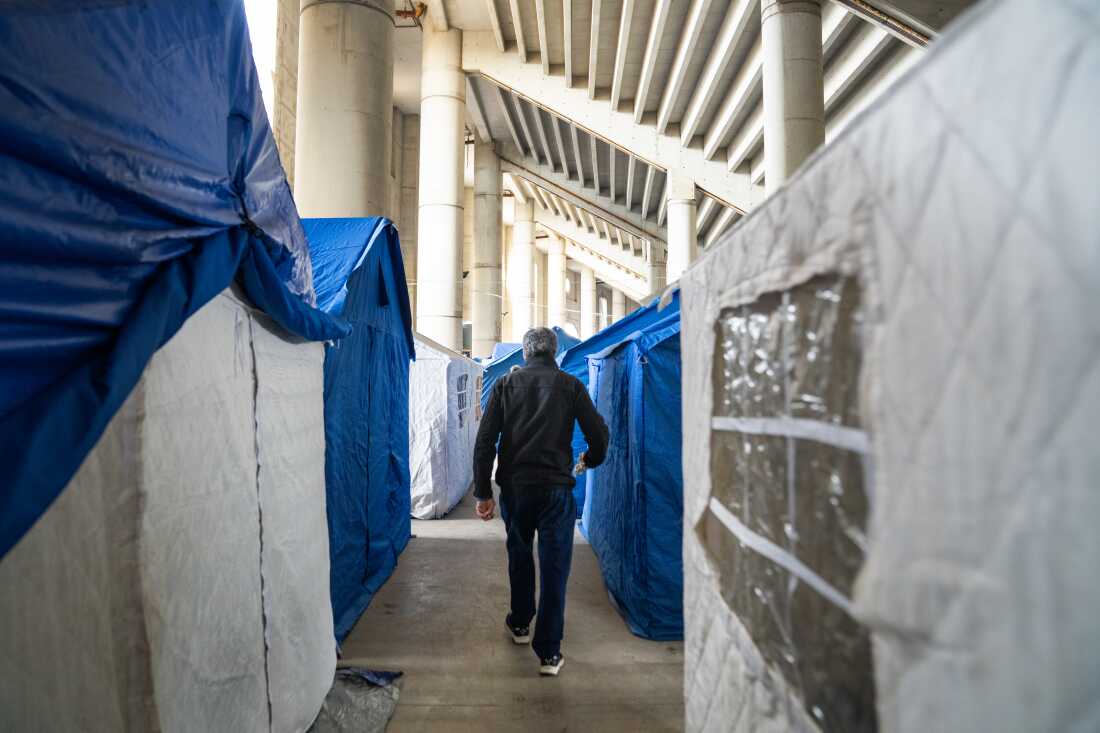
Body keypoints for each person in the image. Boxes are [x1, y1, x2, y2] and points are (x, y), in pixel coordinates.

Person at [472, 327, 609, 677]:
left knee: (519, 554)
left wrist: (483, 493)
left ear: (525, 352)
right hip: (556, 491)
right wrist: (590, 459)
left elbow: (486, 441)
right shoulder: (571, 386)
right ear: (555, 350)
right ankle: (549, 653)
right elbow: (598, 433)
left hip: (516, 490)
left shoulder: (504, 385)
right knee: (555, 566)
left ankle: (520, 624)